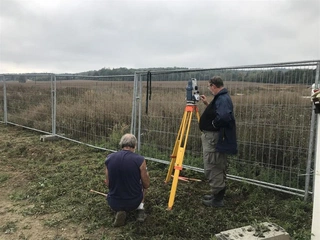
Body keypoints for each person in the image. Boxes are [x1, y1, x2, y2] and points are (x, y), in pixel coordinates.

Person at [199, 76, 237, 207]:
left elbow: (224, 116)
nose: (209, 89)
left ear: (213, 86)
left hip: (213, 138)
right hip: (213, 137)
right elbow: (218, 111)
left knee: (213, 165)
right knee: (215, 164)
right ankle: (216, 194)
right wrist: (207, 104)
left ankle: (218, 199)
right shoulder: (222, 97)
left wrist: (214, 124)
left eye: (209, 86)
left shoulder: (222, 98)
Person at [104, 133, 150, 227]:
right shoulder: (140, 160)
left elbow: (108, 184)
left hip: (113, 202)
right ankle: (140, 209)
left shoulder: (109, 158)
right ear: (135, 145)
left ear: (121, 144)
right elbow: (146, 185)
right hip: (133, 202)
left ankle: (119, 209)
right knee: (144, 181)